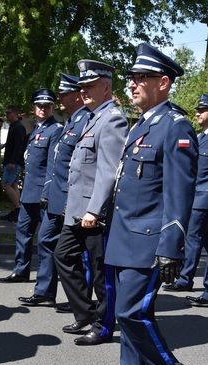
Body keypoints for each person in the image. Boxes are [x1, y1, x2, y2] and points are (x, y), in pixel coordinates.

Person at [91, 43, 198, 365]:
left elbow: (179, 192)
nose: (133, 84)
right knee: (127, 314)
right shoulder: (144, 123)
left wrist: (172, 245)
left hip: (149, 239)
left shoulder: (176, 127)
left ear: (164, 83)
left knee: (131, 312)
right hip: (124, 236)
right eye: (132, 78)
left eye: (142, 78)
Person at [54, 60, 129, 346]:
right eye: (82, 86)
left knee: (101, 273)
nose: (83, 91)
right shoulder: (90, 117)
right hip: (77, 210)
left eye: (90, 86)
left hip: (93, 213)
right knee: (62, 255)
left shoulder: (112, 119)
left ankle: (103, 325)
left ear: (106, 87)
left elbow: (107, 171)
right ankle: (85, 313)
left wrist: (93, 210)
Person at [18, 72, 90, 308]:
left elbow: (58, 164)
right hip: (57, 194)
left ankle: (81, 299)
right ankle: (46, 292)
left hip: (68, 196)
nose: (58, 99)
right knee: (48, 241)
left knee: (77, 250)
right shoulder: (72, 121)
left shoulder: (78, 122)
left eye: (62, 94)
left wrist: (47, 193)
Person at [0, 89, 63, 283]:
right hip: (29, 192)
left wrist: (47, 193)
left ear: (52, 107)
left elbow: (53, 165)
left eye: (47, 106)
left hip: (44, 194)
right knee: (23, 233)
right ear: (33, 108)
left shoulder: (55, 129)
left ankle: (45, 281)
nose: (43, 109)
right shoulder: (36, 129)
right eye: (40, 106)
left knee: (46, 241)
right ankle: (21, 270)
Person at [163, 94, 208, 299]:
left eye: (202, 109)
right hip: (197, 195)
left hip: (204, 197)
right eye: (197, 109)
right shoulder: (200, 138)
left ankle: (184, 279)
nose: (198, 113)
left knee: (192, 238)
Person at [0, 105, 27, 223]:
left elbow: (19, 146)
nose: (6, 115)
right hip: (12, 161)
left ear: (15, 113)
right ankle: (17, 210)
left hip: (14, 162)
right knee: (14, 185)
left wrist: (13, 162)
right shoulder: (14, 126)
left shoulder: (19, 127)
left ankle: (18, 209)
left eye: (8, 112)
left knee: (5, 184)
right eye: (6, 113)